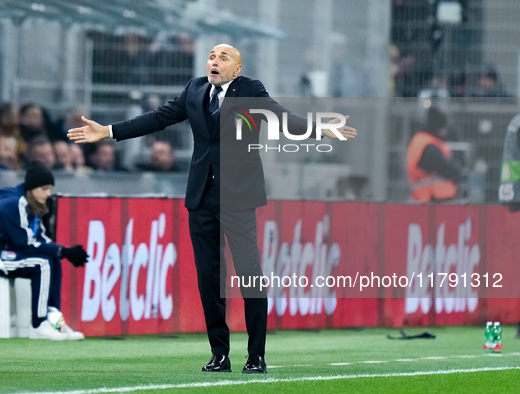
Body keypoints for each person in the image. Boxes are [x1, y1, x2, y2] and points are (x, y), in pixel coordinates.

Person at [68, 43, 357, 372]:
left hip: (239, 197)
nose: (214, 61)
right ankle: (220, 354)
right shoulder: (194, 89)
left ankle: (256, 356)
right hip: (201, 197)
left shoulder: (250, 90)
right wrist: (108, 131)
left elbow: (282, 119)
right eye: (211, 56)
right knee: (209, 279)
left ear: (236, 69)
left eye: (223, 58)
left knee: (250, 276)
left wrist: (321, 128)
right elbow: (157, 119)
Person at [0, 162, 89, 340]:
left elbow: (41, 239)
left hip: (4, 252)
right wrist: (64, 251)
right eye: (44, 188)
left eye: (50, 189)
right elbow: (26, 244)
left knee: (52, 258)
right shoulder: (15, 204)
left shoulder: (31, 205)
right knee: (41, 264)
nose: (48, 194)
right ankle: (38, 324)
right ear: (32, 188)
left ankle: (53, 317)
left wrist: (63, 252)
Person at [407, 107, 460, 202]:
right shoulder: (429, 146)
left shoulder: (420, 141)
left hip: (423, 197)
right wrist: (456, 171)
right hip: (433, 197)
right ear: (439, 128)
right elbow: (448, 169)